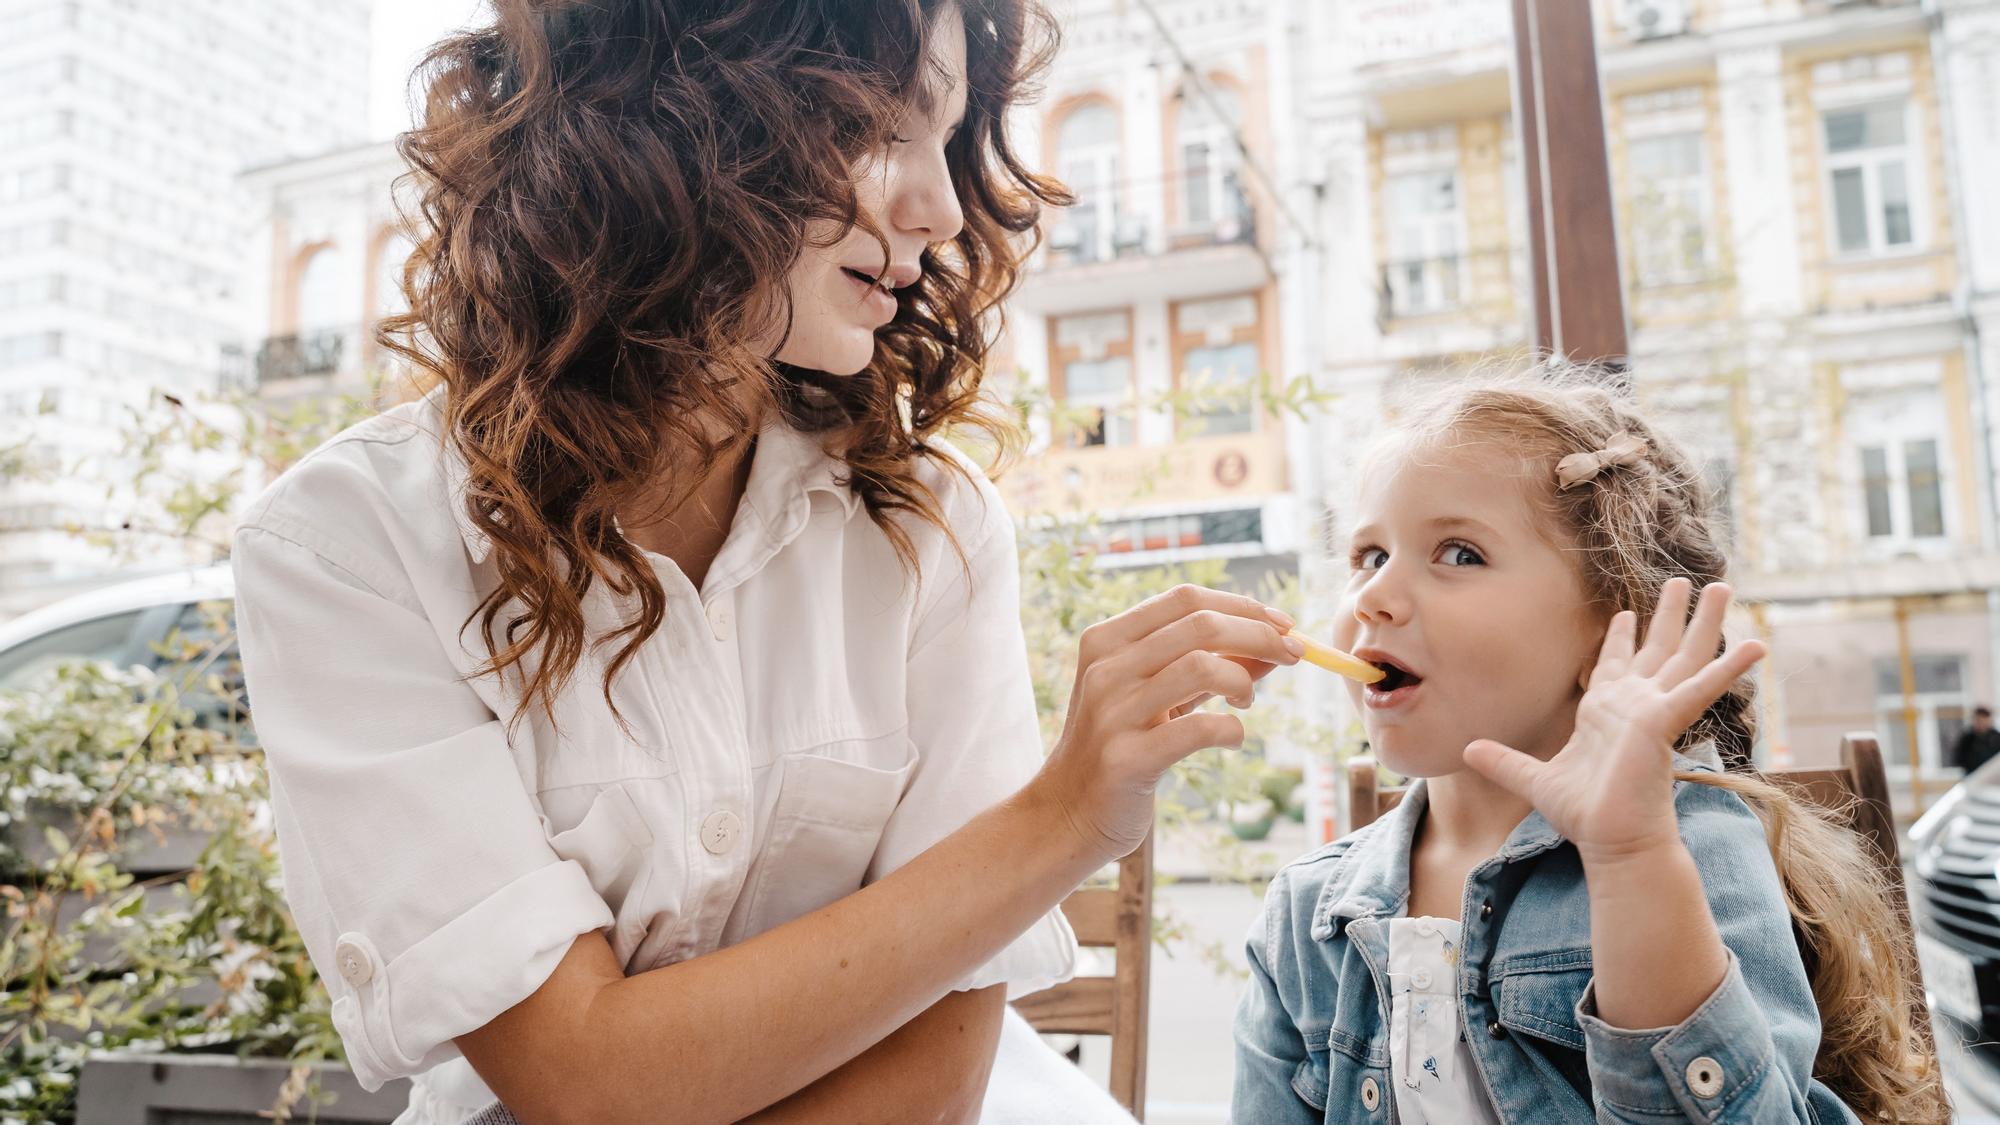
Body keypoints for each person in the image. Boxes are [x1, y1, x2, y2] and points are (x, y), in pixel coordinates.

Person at [229, 3, 1305, 1122]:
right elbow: (585, 1077)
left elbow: (939, 1070)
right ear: (673, 115)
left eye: (947, 144)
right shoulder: (342, 548)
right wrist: (1057, 821)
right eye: (883, 127)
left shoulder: (928, 522)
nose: (939, 207)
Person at [1231, 368, 1950, 1124]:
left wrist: (1629, 861)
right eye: (1370, 555)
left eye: (1458, 553)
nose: (1372, 595)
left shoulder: (1686, 853)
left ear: (1611, 631)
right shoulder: (1307, 914)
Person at [1954, 706, 2000, 776]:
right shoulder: (1967, 739)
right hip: (1972, 776)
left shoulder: (1997, 738)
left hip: (1993, 777)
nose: (1981, 723)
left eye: (1983, 719)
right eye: (1978, 719)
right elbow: (1959, 758)